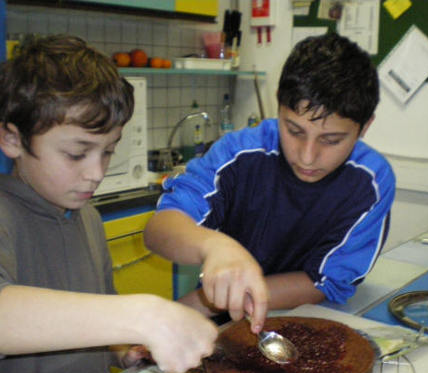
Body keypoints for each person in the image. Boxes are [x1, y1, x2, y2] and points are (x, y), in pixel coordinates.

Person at [0, 35, 217, 373]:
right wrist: (141, 315)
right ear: (12, 139)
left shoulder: (86, 216)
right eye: (77, 153)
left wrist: (118, 347)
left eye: (107, 152)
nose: (96, 172)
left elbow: (97, 310)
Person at [144, 33, 395, 334]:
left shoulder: (371, 183)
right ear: (279, 106)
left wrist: (202, 303)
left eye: (331, 140)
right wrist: (214, 246)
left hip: (308, 318)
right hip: (225, 317)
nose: (307, 157)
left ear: (364, 127)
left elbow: (326, 281)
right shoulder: (238, 153)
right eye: (294, 130)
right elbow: (159, 230)